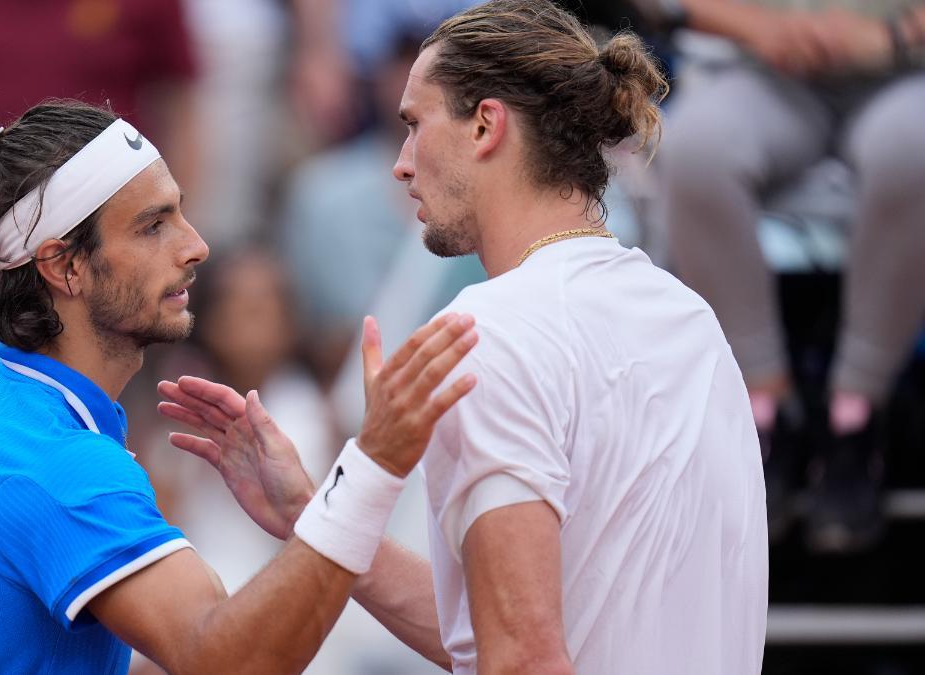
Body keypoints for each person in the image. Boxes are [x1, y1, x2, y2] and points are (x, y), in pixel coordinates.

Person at [161, 1, 768, 673]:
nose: (401, 163)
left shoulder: (492, 331)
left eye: (415, 125)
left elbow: (522, 658)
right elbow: (502, 631)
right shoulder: (691, 319)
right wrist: (318, 513)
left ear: (485, 125)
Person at [0, 98, 480, 674]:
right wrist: (373, 466)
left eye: (181, 214)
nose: (196, 246)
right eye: (153, 225)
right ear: (65, 267)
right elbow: (231, 659)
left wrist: (311, 507)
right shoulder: (60, 466)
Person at [656, 0, 925, 553]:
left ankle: (856, 414)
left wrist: (892, 37)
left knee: (914, 150)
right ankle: (762, 413)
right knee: (692, 150)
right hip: (763, 73)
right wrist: (763, 28)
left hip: (906, 74)